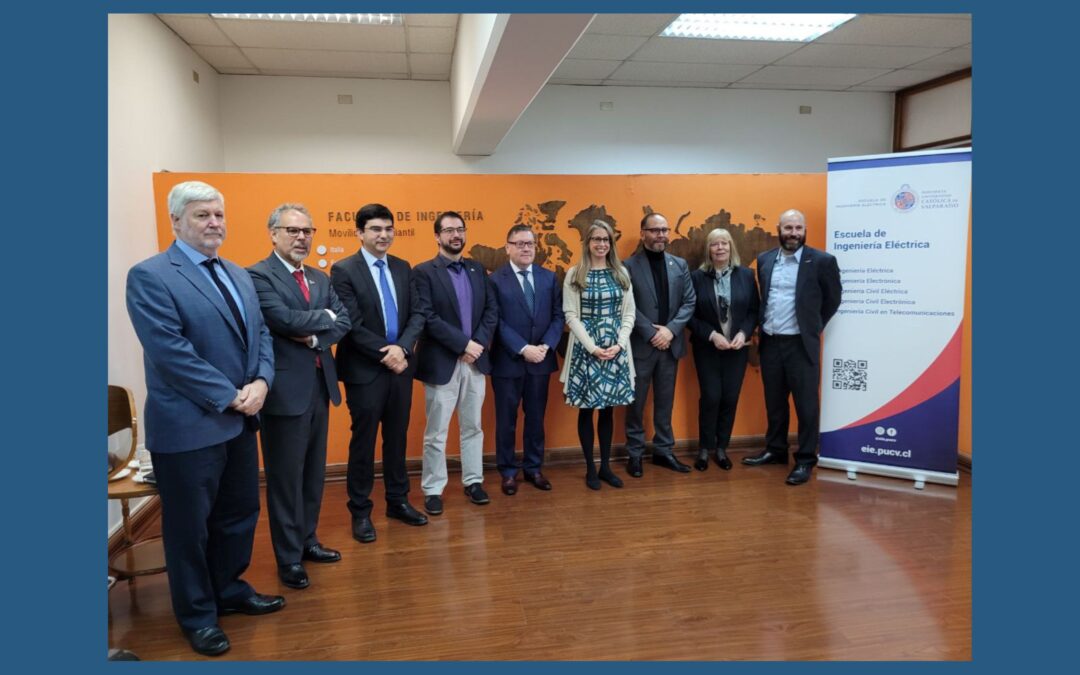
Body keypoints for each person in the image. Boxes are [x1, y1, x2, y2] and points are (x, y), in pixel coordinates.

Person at [125, 181, 283, 657]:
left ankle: (229, 590)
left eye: (218, 214)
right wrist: (230, 396)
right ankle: (197, 615)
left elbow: (261, 337)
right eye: (201, 215)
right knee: (189, 527)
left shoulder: (237, 274)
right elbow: (171, 352)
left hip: (240, 418)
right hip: (189, 424)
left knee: (239, 514)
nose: (214, 222)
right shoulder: (151, 275)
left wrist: (261, 383)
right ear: (176, 221)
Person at [247, 203, 351, 590]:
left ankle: (308, 541)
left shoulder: (320, 276)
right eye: (292, 231)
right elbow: (280, 319)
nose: (301, 238)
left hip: (320, 389)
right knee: (285, 480)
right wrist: (319, 321)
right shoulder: (257, 276)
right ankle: (288, 557)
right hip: (284, 394)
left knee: (312, 476)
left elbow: (343, 321)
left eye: (307, 231)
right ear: (273, 233)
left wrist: (311, 334)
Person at [331, 203, 429, 544]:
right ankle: (360, 511)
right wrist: (388, 354)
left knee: (397, 438)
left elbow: (418, 313)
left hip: (401, 368)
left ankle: (397, 501)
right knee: (364, 442)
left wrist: (403, 348)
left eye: (388, 228)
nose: (383, 234)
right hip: (365, 370)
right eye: (375, 229)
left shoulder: (403, 267)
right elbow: (351, 323)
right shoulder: (343, 270)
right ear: (359, 233)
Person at [744, 209, 842, 485]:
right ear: (778, 229)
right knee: (774, 402)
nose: (793, 233)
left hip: (801, 345)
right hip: (771, 342)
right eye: (788, 228)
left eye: (798, 228)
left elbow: (833, 299)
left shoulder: (822, 261)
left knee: (807, 406)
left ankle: (806, 459)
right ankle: (775, 450)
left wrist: (813, 326)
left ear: (804, 229)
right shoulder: (764, 260)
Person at [412, 211, 499, 514]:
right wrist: (463, 344)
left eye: (459, 229)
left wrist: (475, 346)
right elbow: (426, 316)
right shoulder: (423, 272)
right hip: (442, 362)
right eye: (448, 230)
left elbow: (491, 310)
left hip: (475, 362)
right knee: (436, 432)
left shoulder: (477, 269)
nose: (455, 235)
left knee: (473, 426)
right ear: (437, 236)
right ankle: (433, 488)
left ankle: (473, 481)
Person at [490, 225, 565, 495]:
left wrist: (545, 346)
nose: (525, 248)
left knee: (535, 418)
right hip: (508, 362)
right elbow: (495, 321)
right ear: (507, 246)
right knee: (506, 420)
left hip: (540, 361)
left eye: (530, 244)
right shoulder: (496, 280)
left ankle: (534, 468)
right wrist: (523, 348)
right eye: (519, 243)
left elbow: (558, 316)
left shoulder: (548, 278)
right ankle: (508, 472)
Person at [561, 220, 636, 490]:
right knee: (587, 409)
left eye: (606, 239)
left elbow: (629, 313)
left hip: (616, 348)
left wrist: (620, 343)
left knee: (607, 409)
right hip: (586, 349)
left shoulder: (621, 273)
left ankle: (606, 466)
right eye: (596, 239)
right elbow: (570, 314)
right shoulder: (574, 274)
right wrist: (592, 347)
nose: (601, 244)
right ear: (587, 243)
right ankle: (590, 468)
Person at [622, 212, 697, 476]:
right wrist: (651, 332)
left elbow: (689, 302)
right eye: (655, 230)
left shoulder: (680, 264)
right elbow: (626, 304)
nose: (661, 235)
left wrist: (670, 331)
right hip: (642, 345)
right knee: (636, 403)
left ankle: (664, 451)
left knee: (665, 402)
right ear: (643, 233)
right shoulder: (627, 266)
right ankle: (635, 453)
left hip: (670, 345)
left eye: (664, 230)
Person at [687, 228, 760, 471]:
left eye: (724, 243)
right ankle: (704, 450)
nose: (720, 248)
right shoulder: (697, 277)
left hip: (737, 349)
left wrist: (743, 333)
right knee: (711, 397)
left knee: (730, 397)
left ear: (731, 248)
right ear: (708, 250)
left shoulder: (747, 276)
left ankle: (721, 448)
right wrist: (712, 335)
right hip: (707, 348)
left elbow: (753, 311)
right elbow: (690, 315)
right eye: (714, 244)